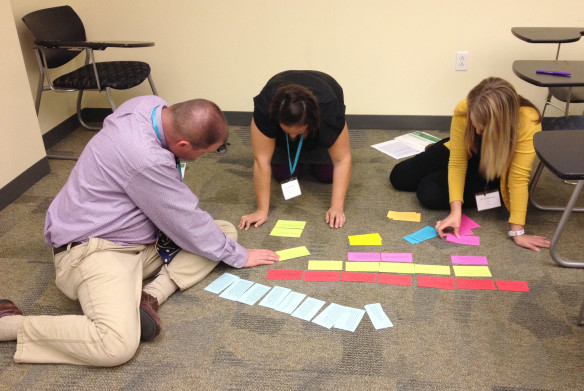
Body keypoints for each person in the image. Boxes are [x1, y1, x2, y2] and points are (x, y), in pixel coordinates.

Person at [0, 96, 279, 366]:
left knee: (222, 232)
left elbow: (190, 223)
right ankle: (8, 325)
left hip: (139, 238)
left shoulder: (148, 105)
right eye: (204, 153)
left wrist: (227, 249)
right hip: (94, 250)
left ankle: (150, 296)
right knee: (114, 345)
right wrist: (241, 257)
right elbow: (186, 220)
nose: (204, 158)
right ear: (182, 144)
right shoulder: (147, 159)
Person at [390, 77, 550, 251]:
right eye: (475, 125)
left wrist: (518, 232)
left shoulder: (528, 120)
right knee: (399, 176)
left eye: (484, 128)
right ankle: (440, 147)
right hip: (466, 148)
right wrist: (455, 212)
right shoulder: (466, 107)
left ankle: (488, 188)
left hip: (494, 166)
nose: (478, 131)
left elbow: (518, 179)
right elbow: (457, 163)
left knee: (428, 192)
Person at [238, 70, 352, 230]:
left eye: (297, 133)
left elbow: (343, 159)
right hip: (281, 130)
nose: (292, 137)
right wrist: (261, 210)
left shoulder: (329, 109)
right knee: (285, 175)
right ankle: (289, 136)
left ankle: (313, 143)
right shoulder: (266, 106)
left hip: (318, 123)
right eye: (287, 131)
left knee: (326, 174)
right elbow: (261, 160)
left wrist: (337, 208)